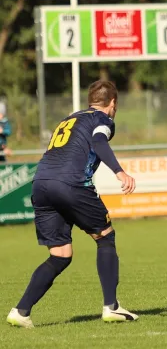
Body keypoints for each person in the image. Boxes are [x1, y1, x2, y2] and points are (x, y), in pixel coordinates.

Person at [6, 80, 138, 328]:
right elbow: (99, 142)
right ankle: (112, 307)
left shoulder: (69, 118)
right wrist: (120, 173)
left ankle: (21, 311)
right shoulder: (103, 120)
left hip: (41, 183)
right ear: (113, 103)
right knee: (105, 237)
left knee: (60, 254)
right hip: (70, 183)